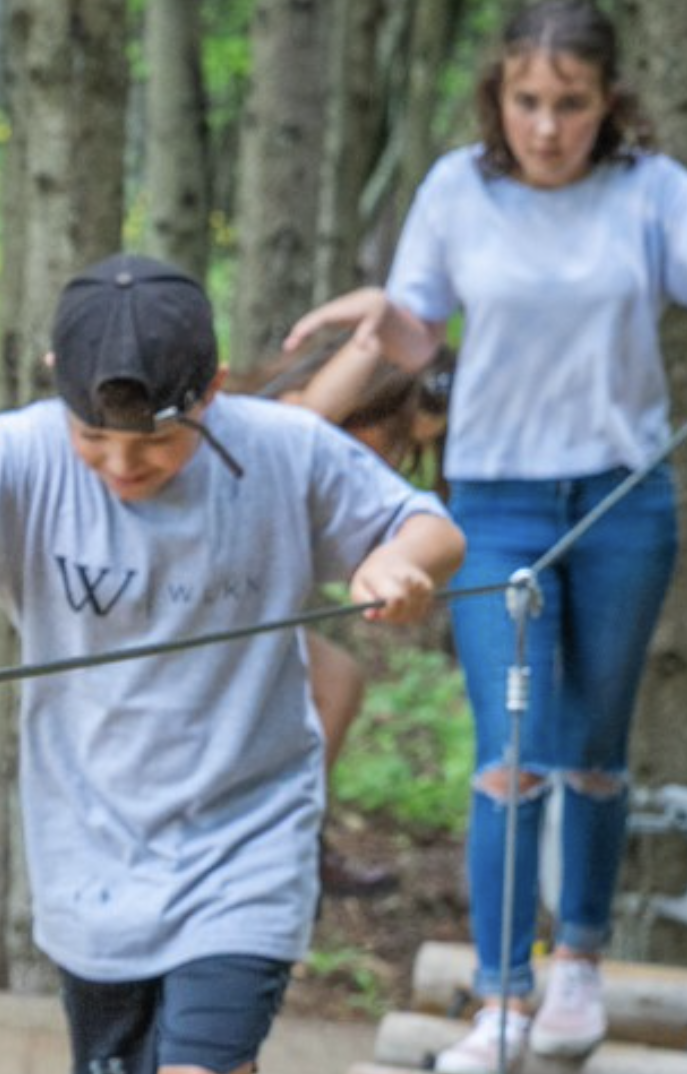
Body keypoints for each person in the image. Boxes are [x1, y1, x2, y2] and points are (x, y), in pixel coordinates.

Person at [0, 254, 464, 1074]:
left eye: (156, 444)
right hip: (91, 853)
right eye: (93, 439)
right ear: (54, 382)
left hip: (246, 841)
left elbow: (427, 525)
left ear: (213, 390)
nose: (120, 465)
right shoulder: (21, 458)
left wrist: (403, 564)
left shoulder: (283, 451)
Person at [281, 3, 687, 1071]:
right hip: (496, 506)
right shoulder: (459, 189)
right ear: (499, 99)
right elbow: (407, 328)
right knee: (511, 754)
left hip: (620, 501)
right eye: (529, 102)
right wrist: (290, 429)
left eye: (572, 104)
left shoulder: (651, 192)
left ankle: (578, 968)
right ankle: (501, 1001)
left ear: (609, 102)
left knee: (593, 754)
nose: (549, 127)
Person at [254, 321, 456, 896]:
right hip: (199, 607)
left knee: (338, 680)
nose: (393, 461)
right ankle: (279, 841)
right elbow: (307, 418)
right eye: (397, 440)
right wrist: (378, 326)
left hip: (249, 606)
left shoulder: (340, 451)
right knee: (334, 679)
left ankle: (292, 837)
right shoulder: (291, 425)